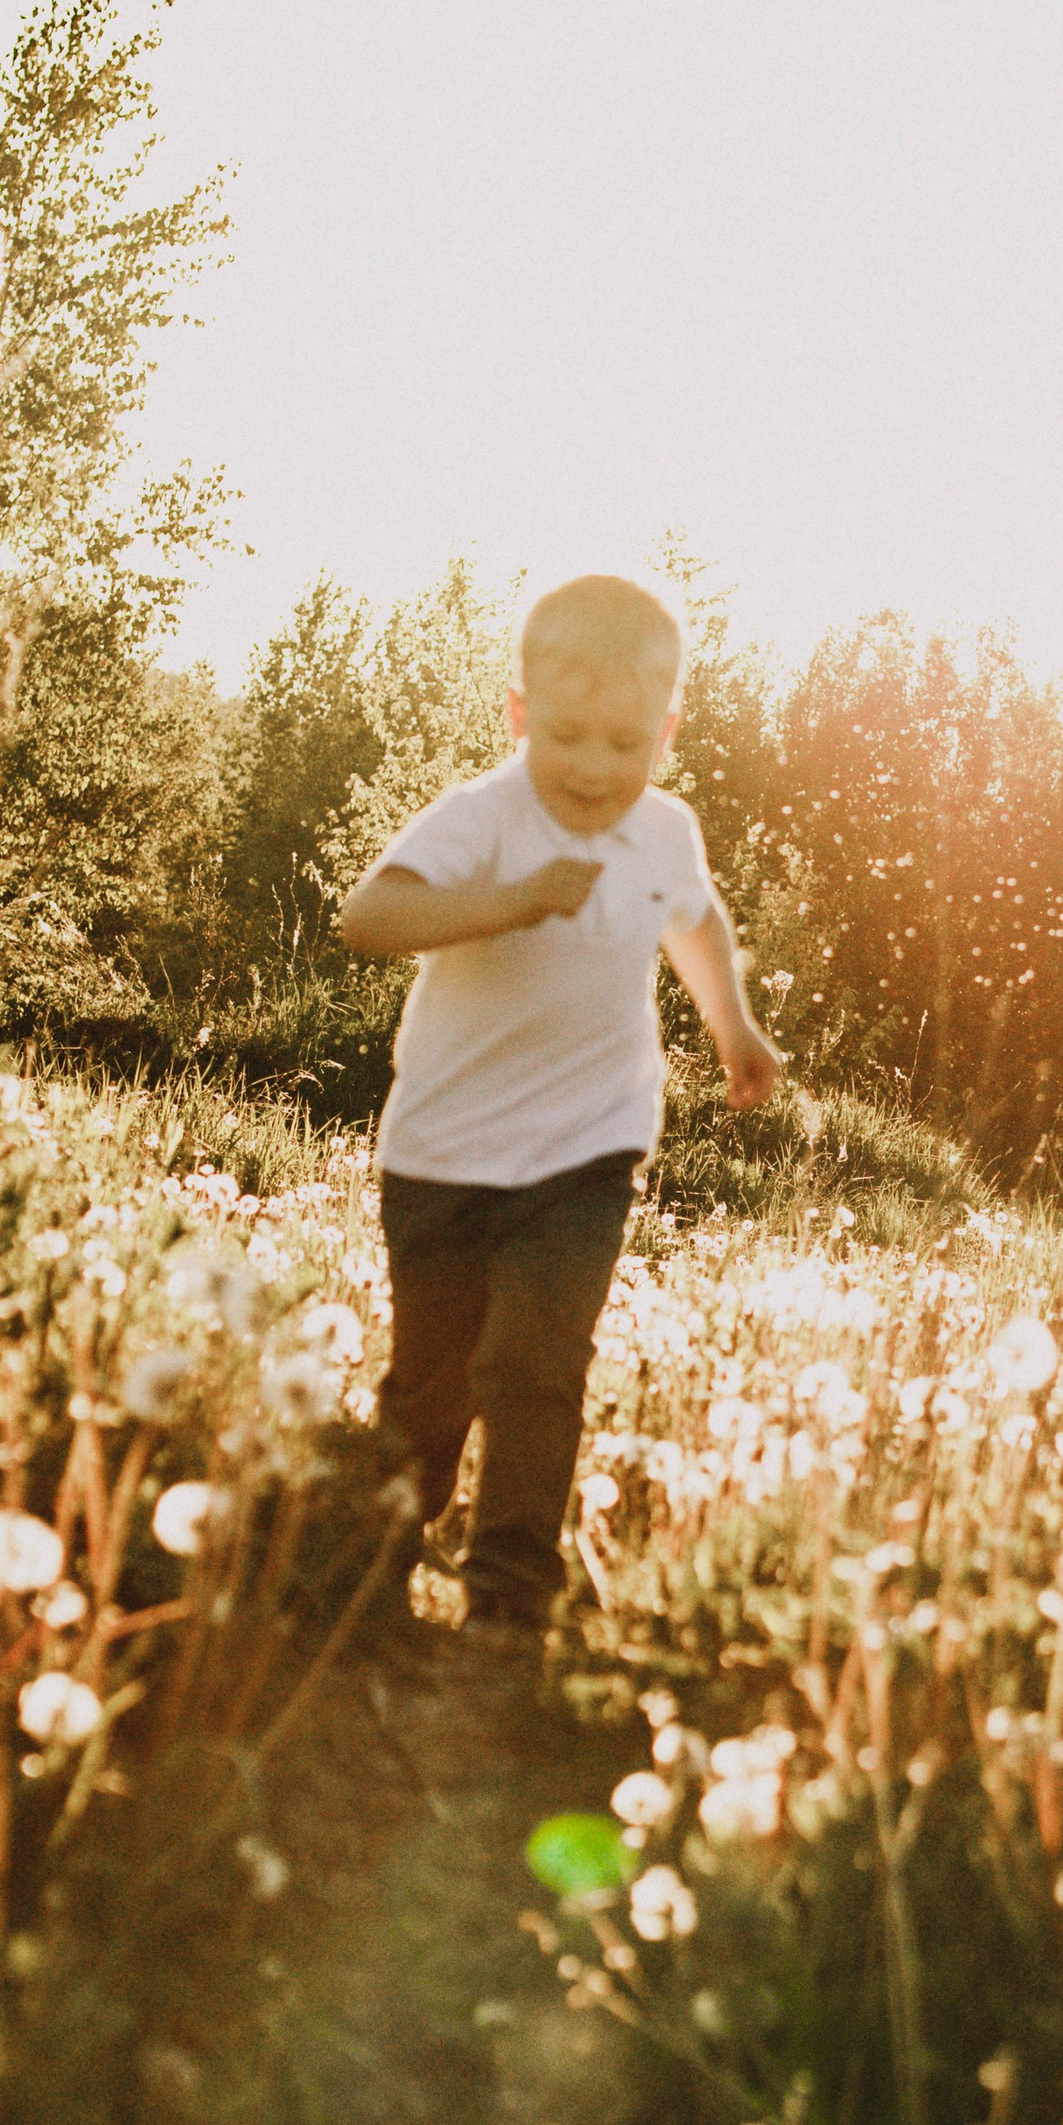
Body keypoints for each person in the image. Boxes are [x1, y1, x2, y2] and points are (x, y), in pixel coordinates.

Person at [336, 572, 782, 1632]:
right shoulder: (483, 819)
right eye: (569, 736)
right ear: (520, 714)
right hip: (444, 1152)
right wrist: (513, 900)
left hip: (591, 1144)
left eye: (625, 745)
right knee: (432, 1385)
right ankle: (365, 1573)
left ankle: (508, 1601)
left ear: (666, 732)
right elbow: (368, 917)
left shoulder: (664, 830)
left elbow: (695, 921)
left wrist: (734, 1027)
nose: (594, 769)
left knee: (538, 1364)